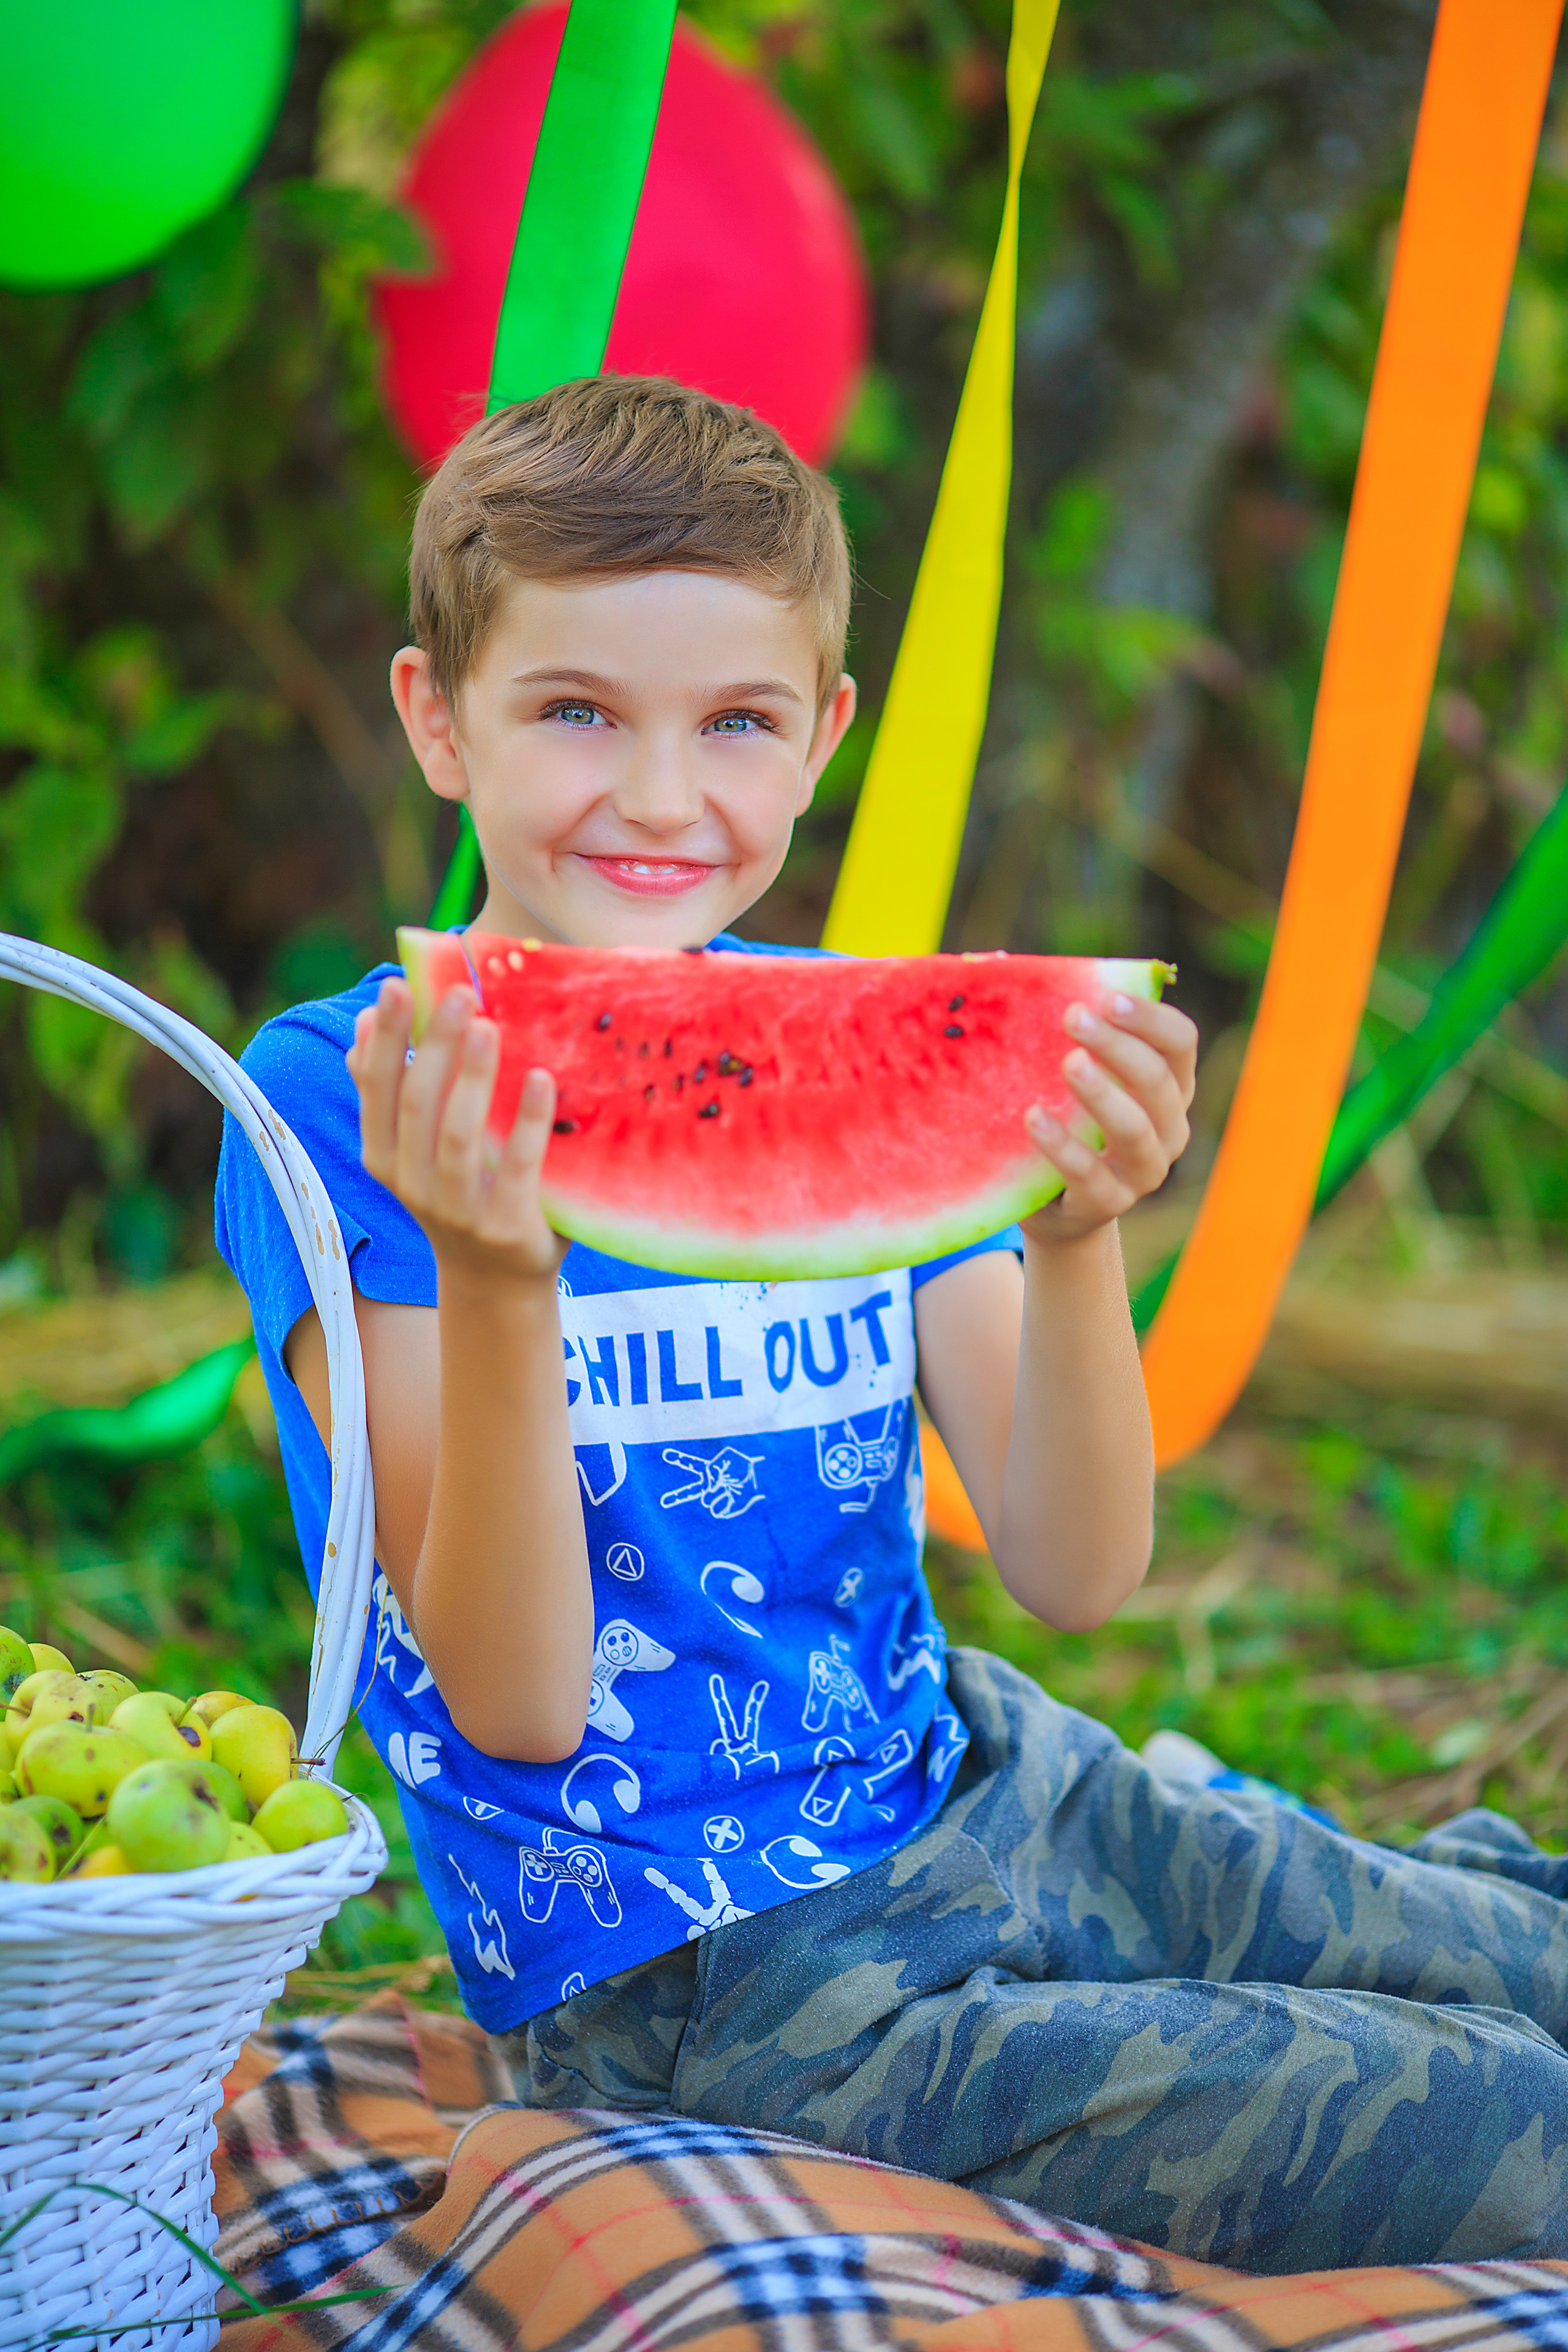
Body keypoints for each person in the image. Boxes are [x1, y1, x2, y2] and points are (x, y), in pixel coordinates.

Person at [218, 375, 1568, 2276]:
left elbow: (1078, 1563)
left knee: (1532, 1956)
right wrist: (508, 1277)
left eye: (739, 722)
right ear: (440, 720)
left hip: (982, 1780)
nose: (666, 795)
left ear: (824, 736)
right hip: (702, 1978)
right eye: (578, 711)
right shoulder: (344, 1107)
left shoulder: (861, 1043)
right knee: (1523, 2119)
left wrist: (1084, 1230)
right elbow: (516, 1702)